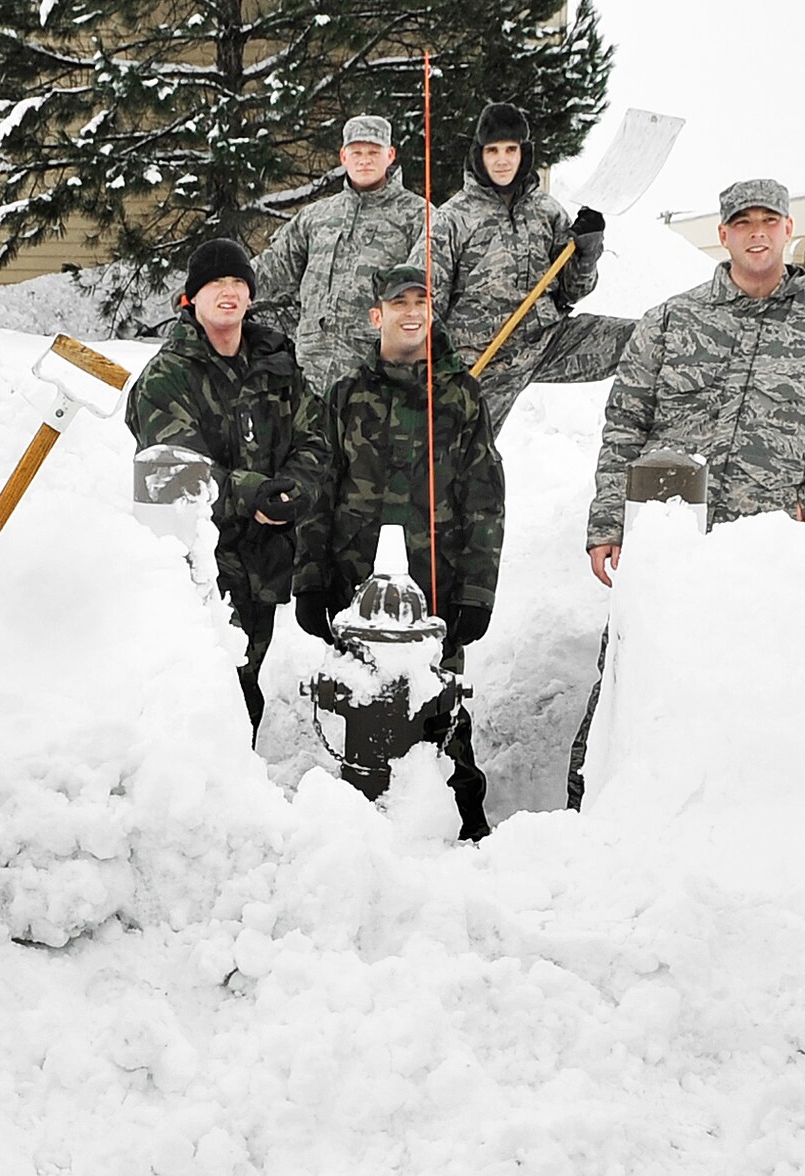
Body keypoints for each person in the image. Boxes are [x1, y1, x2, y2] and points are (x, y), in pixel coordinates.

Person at [565, 178, 805, 807]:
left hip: (762, 558)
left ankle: (724, 827)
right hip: (667, 550)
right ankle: (588, 822)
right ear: (721, 235)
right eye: (742, 221)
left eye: (768, 220)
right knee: (628, 690)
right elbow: (625, 426)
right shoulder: (672, 320)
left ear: (787, 229)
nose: (756, 232)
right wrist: (609, 523)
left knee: (744, 703)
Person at [292, 264, 506, 840]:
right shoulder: (345, 396)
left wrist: (476, 592)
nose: (412, 311)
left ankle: (466, 825)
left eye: (422, 300)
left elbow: (484, 500)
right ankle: (354, 824)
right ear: (376, 315)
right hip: (353, 588)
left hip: (433, 590)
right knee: (358, 704)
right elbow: (319, 491)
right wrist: (309, 580)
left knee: (440, 707)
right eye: (399, 302)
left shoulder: (459, 395)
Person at [126, 237, 326, 738]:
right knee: (206, 690)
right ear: (191, 298)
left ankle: (234, 790)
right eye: (216, 283)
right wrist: (251, 494)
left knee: (246, 684)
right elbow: (174, 470)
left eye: (238, 282)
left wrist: (296, 491)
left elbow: (315, 438)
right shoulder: (166, 377)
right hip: (199, 567)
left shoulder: (277, 367)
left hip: (264, 559)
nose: (229, 292)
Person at [418, 101, 632, 435]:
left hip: (546, 342)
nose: (502, 160)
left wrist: (587, 248)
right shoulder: (452, 218)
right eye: (493, 150)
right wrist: (439, 369)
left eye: (510, 149)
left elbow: (574, 290)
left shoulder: (548, 212)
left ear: (524, 153)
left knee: (645, 337)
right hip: (481, 360)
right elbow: (424, 299)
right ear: (479, 154)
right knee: (460, 463)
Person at [254, 115, 434, 392]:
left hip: (375, 377)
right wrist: (214, 286)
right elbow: (274, 266)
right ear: (343, 156)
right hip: (310, 371)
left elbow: (431, 293)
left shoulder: (419, 217)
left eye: (373, 152)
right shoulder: (317, 216)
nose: (364, 160)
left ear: (390, 155)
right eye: (356, 152)